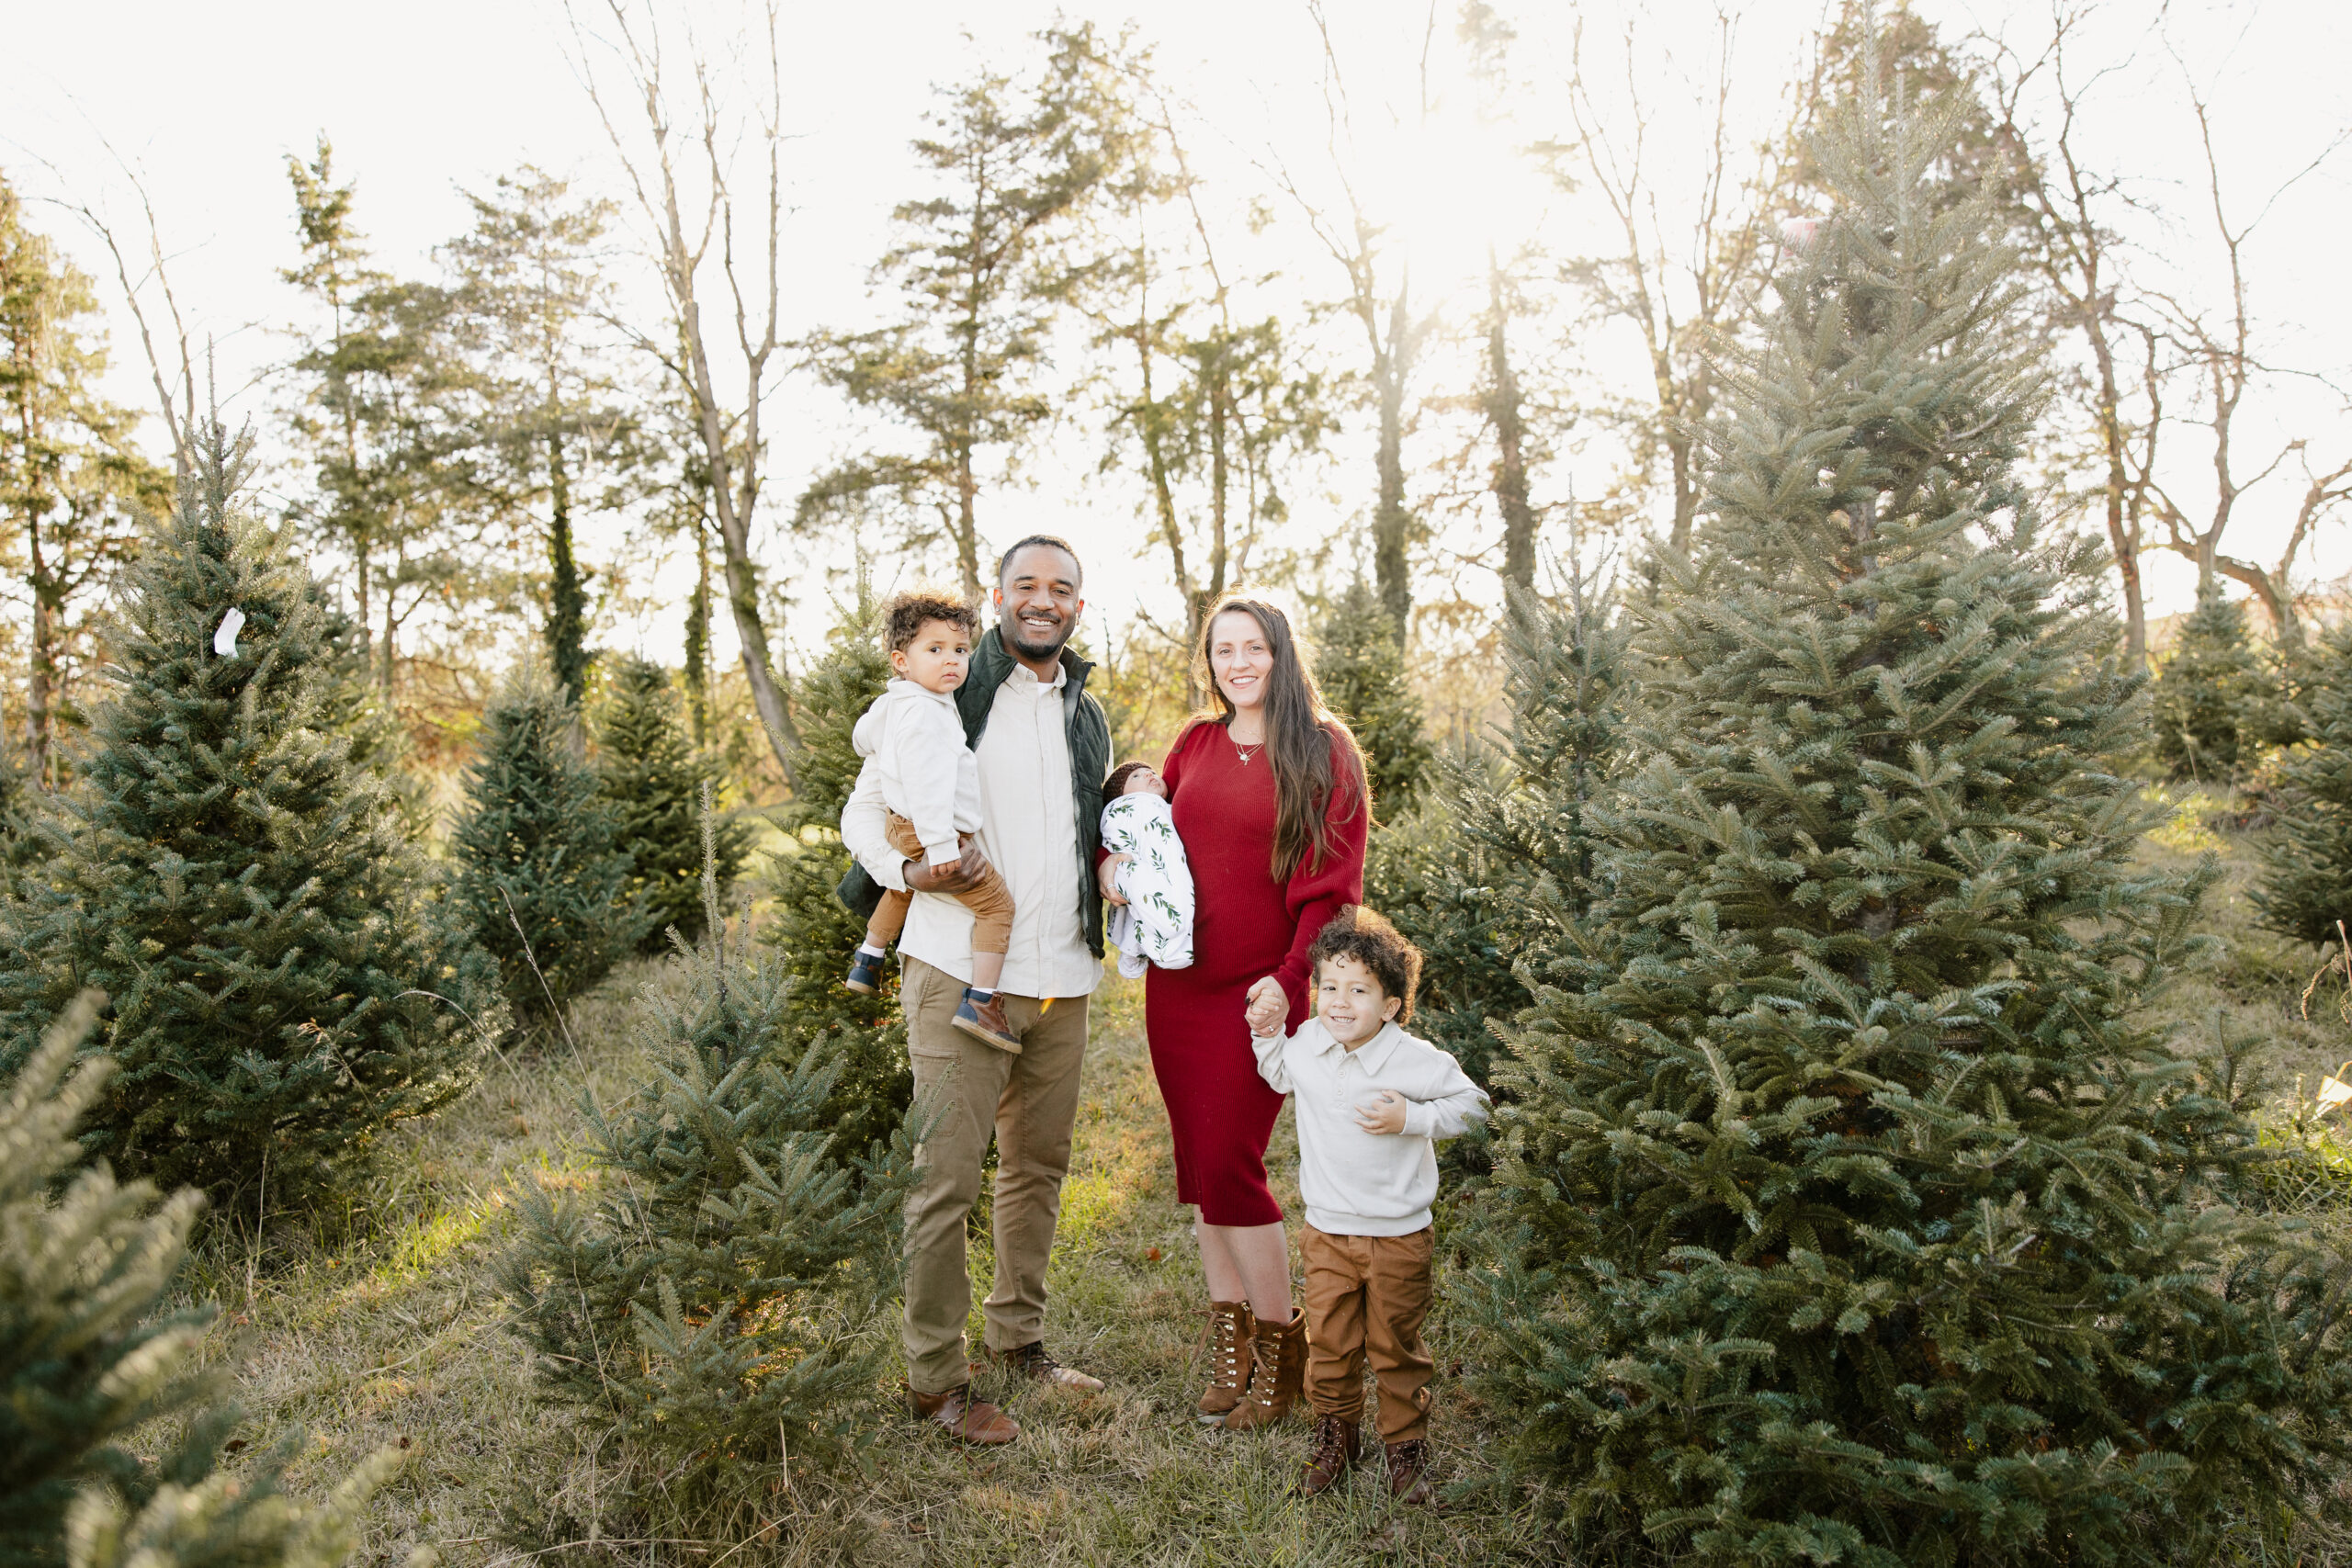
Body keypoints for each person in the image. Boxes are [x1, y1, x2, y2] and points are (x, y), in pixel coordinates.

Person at [841, 536, 1112, 1447]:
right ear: (999, 595)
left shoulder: (1085, 708)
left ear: (1078, 604)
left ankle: (1019, 1337)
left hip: (1060, 976)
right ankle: (934, 1378)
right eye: (1027, 585)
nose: (1044, 600)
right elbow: (865, 807)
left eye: (1061, 589)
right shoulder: (951, 689)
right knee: (945, 1179)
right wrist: (907, 871)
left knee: (1037, 1169)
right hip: (959, 965)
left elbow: (1086, 822)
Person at [1102, 597, 1368, 1430]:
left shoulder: (1323, 751)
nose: (1239, 662)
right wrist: (1112, 868)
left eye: (1254, 647)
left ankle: (1284, 1349)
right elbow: (1148, 839)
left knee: (1233, 1163)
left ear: (1281, 653)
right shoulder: (1194, 744)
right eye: (1224, 650)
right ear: (1209, 661)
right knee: (1202, 1173)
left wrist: (1290, 985)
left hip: (1260, 995)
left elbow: (1334, 896)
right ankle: (1232, 1344)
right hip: (1179, 992)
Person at [1247, 908, 1487, 1504]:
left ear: (1389, 1005)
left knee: (1395, 1343)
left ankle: (1404, 1446)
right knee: (1330, 1339)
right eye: (1329, 986)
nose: (1339, 1002)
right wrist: (1266, 1031)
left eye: (1358, 989)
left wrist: (1414, 1118)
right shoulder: (1308, 1044)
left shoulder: (1412, 1059)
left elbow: (1475, 1105)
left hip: (1399, 1235)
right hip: (1328, 1231)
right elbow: (1277, 1072)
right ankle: (1337, 1433)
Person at [843, 592, 1020, 1049]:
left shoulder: (895, 703)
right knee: (996, 906)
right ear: (901, 660)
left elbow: (863, 739)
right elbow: (928, 786)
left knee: (902, 888)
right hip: (933, 833)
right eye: (935, 649)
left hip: (900, 827)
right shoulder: (928, 714)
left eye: (960, 650)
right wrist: (942, 848)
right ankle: (982, 1001)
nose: (952, 662)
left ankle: (869, 957)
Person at [1098, 761, 1193, 978]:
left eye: (1151, 772)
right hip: (1134, 861)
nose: (1149, 775)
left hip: (1157, 862)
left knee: (1160, 889)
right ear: (1120, 795)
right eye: (1136, 776)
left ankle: (1143, 947)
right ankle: (1139, 948)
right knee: (1143, 891)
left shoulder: (1164, 808)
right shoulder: (1128, 808)